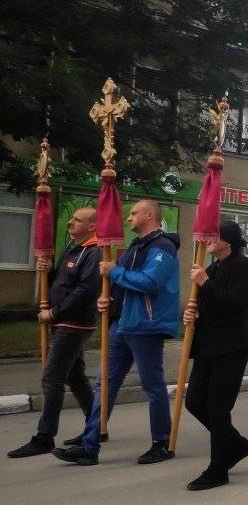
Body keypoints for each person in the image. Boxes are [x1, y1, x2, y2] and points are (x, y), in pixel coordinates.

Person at [53, 200, 181, 466]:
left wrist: (115, 271)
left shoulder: (163, 246)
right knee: (105, 385)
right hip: (121, 324)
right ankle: (89, 446)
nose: (128, 218)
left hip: (145, 326)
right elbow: (123, 286)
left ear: (149, 215)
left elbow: (150, 282)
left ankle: (162, 442)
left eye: (134, 213)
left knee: (152, 386)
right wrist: (108, 299)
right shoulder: (135, 246)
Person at [9, 208, 100, 458]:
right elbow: (61, 280)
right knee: (75, 377)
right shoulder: (73, 248)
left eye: (77, 220)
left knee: (52, 378)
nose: (70, 222)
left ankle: (44, 437)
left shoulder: (93, 252)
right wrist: (46, 268)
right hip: (65, 322)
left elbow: (86, 291)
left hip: (74, 324)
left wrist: (55, 313)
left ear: (92, 226)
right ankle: (97, 426)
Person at [181, 220, 248, 491]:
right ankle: (235, 444)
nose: (209, 240)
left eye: (214, 236)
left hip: (233, 345)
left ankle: (218, 469)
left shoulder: (242, 266)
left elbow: (234, 304)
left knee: (217, 407)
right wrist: (193, 313)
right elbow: (210, 305)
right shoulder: (213, 268)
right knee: (194, 401)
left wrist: (203, 282)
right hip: (208, 345)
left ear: (228, 240)